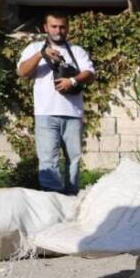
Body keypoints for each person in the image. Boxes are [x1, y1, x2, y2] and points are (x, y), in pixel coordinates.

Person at [16, 11, 96, 194]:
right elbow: (22, 72)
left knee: (74, 158)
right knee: (48, 158)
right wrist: (41, 55)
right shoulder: (34, 48)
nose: (58, 30)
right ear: (45, 27)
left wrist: (72, 81)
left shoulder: (76, 51)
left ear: (67, 28)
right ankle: (51, 197)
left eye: (62, 26)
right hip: (45, 113)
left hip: (73, 113)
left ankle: (72, 194)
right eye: (54, 26)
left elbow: (90, 73)